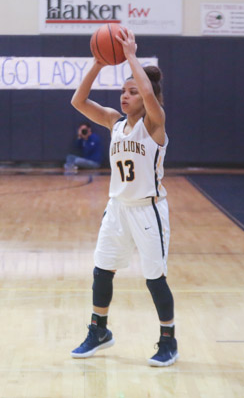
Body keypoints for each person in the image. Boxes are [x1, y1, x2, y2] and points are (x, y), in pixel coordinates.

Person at [70, 29, 178, 367]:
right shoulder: (115, 123)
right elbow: (78, 101)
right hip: (117, 208)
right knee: (102, 269)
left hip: (148, 210)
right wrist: (98, 64)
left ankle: (168, 340)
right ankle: (99, 329)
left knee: (154, 278)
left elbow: (149, 96)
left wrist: (131, 56)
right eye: (123, 91)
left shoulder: (155, 124)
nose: (125, 96)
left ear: (146, 97)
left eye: (132, 91)